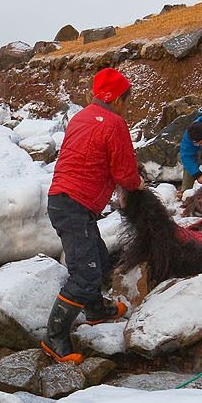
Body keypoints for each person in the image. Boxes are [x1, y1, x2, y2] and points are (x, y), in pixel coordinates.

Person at [43, 67, 142, 364]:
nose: (127, 105)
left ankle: (96, 310)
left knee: (96, 256)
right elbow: (125, 173)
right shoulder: (114, 123)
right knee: (84, 274)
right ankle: (54, 338)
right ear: (118, 99)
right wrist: (138, 188)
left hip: (64, 200)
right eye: (127, 99)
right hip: (74, 205)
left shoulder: (81, 116)